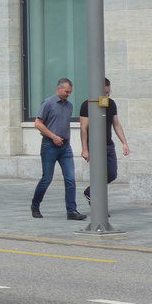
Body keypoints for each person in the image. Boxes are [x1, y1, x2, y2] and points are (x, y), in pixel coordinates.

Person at [31, 78, 86, 220]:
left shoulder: (69, 106)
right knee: (47, 178)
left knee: (70, 178)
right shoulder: (48, 103)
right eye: (67, 91)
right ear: (59, 89)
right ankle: (35, 205)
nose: (69, 94)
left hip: (65, 147)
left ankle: (71, 211)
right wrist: (53, 136)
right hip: (50, 145)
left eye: (70, 92)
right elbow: (38, 123)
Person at [79, 78, 130, 205]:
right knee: (98, 174)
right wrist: (85, 149)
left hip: (108, 144)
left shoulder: (111, 104)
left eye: (109, 92)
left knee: (112, 173)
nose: (107, 95)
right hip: (94, 146)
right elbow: (83, 128)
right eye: (105, 93)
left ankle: (90, 192)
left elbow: (116, 124)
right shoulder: (87, 105)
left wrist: (124, 142)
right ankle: (99, 207)